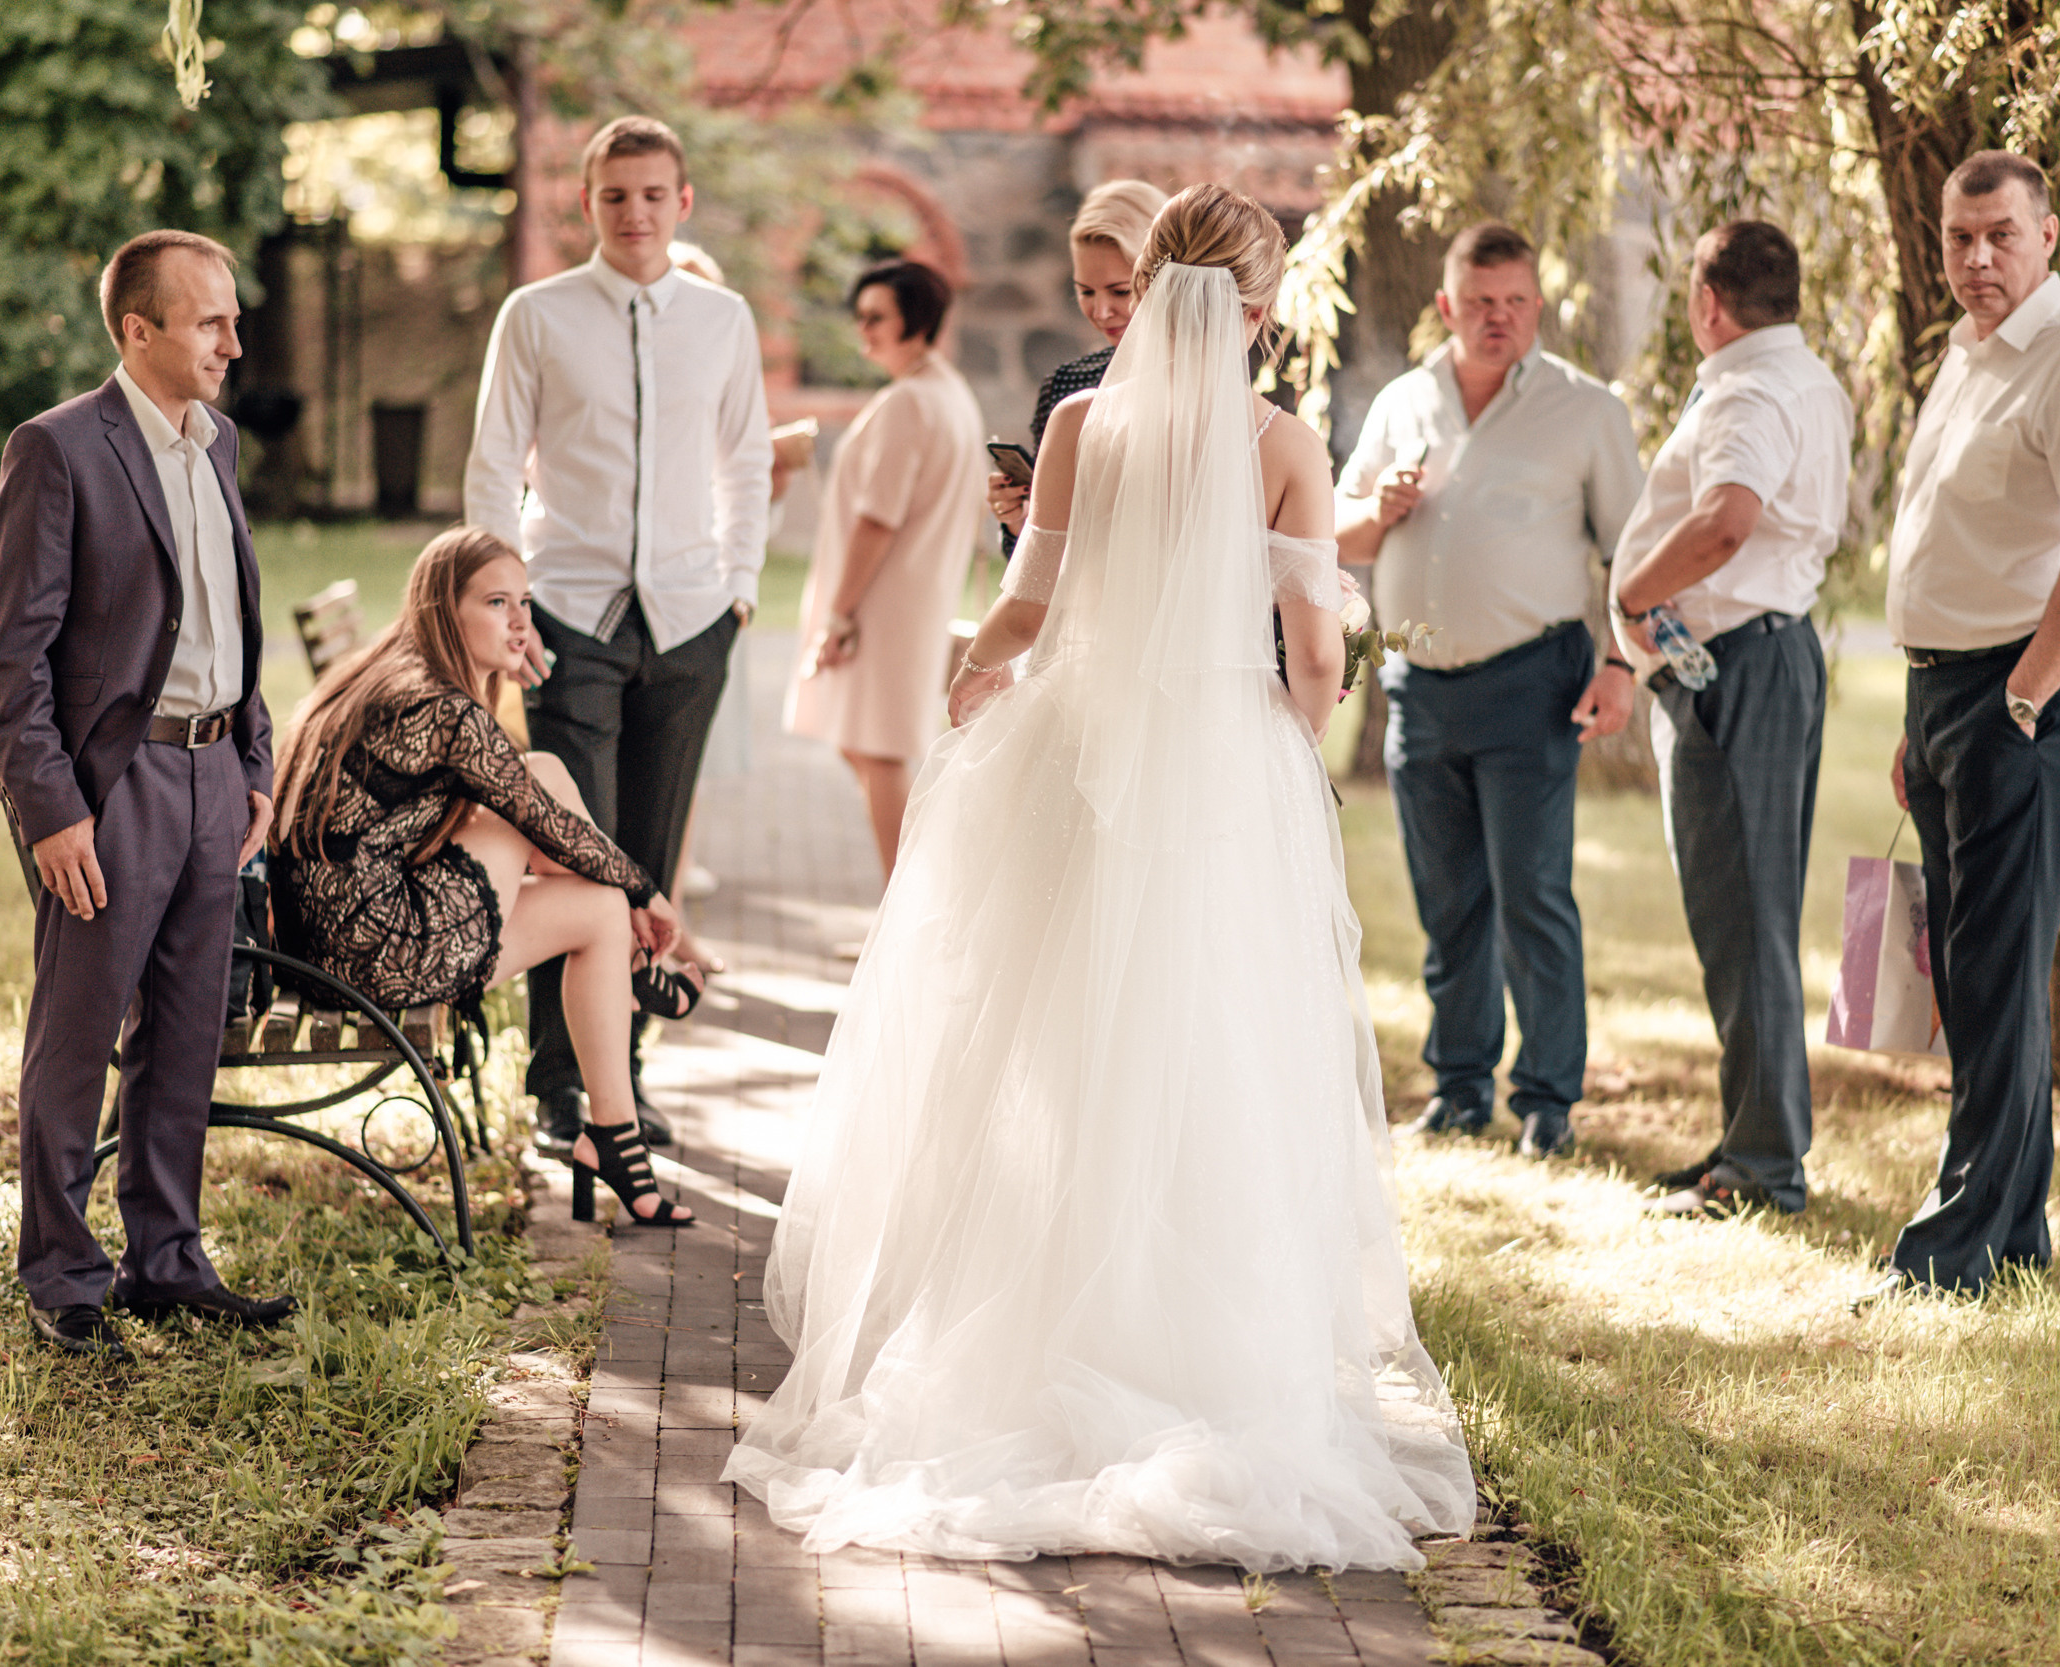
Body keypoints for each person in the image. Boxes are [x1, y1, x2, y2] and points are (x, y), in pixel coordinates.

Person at [724, 185, 1478, 1570]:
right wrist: (1284, 747)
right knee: (1214, 1053)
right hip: (1215, 761)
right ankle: (1203, 1361)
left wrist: (973, 675)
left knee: (1050, 1047)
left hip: (1073, 756)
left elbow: (1029, 602)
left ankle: (1032, 1338)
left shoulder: (1080, 426)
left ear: (1154, 283)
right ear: (1255, 307)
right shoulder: (1280, 443)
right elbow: (1315, 651)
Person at [0, 230, 286, 1358]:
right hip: (116, 787)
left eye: (233, 318)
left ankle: (167, 1258)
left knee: (187, 1028)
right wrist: (52, 809)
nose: (232, 342)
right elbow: (14, 657)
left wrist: (254, 756)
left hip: (215, 777)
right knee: (78, 1032)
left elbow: (229, 614)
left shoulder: (219, 443)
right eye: (210, 322)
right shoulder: (58, 450)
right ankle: (62, 1272)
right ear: (137, 329)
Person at [464, 116, 773, 1159]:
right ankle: (562, 1088)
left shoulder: (724, 320)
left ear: (682, 203)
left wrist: (739, 587)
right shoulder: (538, 315)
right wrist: (505, 613)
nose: (634, 212)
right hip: (566, 621)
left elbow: (747, 460)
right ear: (587, 205)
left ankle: (622, 1083)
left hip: (692, 622)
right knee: (577, 856)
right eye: (613, 196)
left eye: (652, 195)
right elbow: (493, 464)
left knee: (648, 852)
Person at [1872, 151, 2060, 1298]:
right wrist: (1922, 708)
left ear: (2046, 236)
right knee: (1975, 971)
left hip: (2017, 699)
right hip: (1945, 695)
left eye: (1999, 235)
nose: (1976, 258)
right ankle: (2012, 1235)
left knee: (1987, 973)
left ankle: (1949, 1255)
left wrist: (2018, 701)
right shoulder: (1967, 351)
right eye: (1957, 237)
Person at [268, 527, 713, 1226]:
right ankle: (637, 959)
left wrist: (623, 894)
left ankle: (616, 1141)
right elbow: (547, 830)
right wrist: (649, 894)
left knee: (586, 886)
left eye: (526, 604)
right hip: (376, 951)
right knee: (541, 806)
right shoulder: (443, 711)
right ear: (446, 611)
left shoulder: (404, 676)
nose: (519, 622)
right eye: (497, 602)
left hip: (339, 938)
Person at [1334, 222, 1645, 1156]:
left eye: (1514, 302)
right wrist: (1376, 511)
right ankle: (1460, 1083)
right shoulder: (1401, 400)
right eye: (1479, 303)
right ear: (1446, 306)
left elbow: (1630, 552)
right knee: (1447, 895)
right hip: (1416, 686)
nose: (1498, 318)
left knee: (1533, 891)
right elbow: (1339, 533)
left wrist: (1623, 662)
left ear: (1536, 305)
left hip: (1532, 682)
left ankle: (1547, 1096)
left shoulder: (1587, 411)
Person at [1606, 222, 1854, 1220]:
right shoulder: (1810, 379)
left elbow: (1724, 521)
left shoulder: (1747, 390)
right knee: (1744, 914)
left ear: (1707, 302)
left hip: (1736, 669)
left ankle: (1761, 1166)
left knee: (1742, 915)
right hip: (1765, 656)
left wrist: (1630, 596)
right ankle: (1747, 1141)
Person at [785, 260, 987, 882]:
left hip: (885, 603)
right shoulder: (950, 393)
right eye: (861, 317)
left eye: (877, 318)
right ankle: (915, 909)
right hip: (914, 595)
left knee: (879, 754)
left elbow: (878, 518)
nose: (863, 330)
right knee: (871, 749)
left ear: (915, 322)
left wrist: (840, 612)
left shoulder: (908, 403)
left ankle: (910, 918)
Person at [988, 179, 1170, 549]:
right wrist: (1016, 525)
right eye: (1085, 291)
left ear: (1164, 280)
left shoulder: (1207, 385)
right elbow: (1033, 571)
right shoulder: (1066, 386)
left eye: (1120, 291)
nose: (1101, 312)